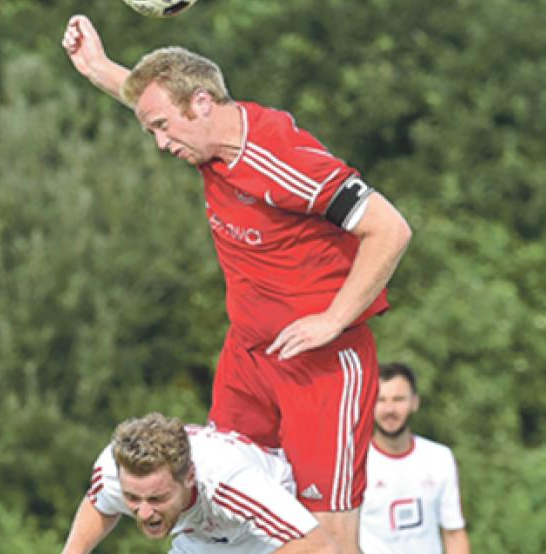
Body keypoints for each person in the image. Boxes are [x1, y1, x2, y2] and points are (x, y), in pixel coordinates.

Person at [62, 15, 413, 551]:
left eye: (161, 127)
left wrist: (333, 319)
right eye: (150, 129)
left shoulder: (283, 160)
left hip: (321, 371)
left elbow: (390, 228)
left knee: (330, 542)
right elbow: (159, 102)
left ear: (203, 104)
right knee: (218, 503)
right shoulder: (205, 144)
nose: (159, 144)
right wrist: (97, 68)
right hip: (248, 358)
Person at [60, 412, 339, 553]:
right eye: (132, 498)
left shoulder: (229, 479)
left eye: (157, 499)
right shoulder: (114, 469)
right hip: (200, 538)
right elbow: (100, 505)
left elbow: (319, 546)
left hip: (262, 539)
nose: (144, 513)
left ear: (189, 476)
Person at [359, 362, 471, 554]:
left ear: (414, 402)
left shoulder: (439, 457)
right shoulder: (355, 463)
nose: (389, 409)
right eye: (381, 400)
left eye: (398, 399)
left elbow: (454, 533)